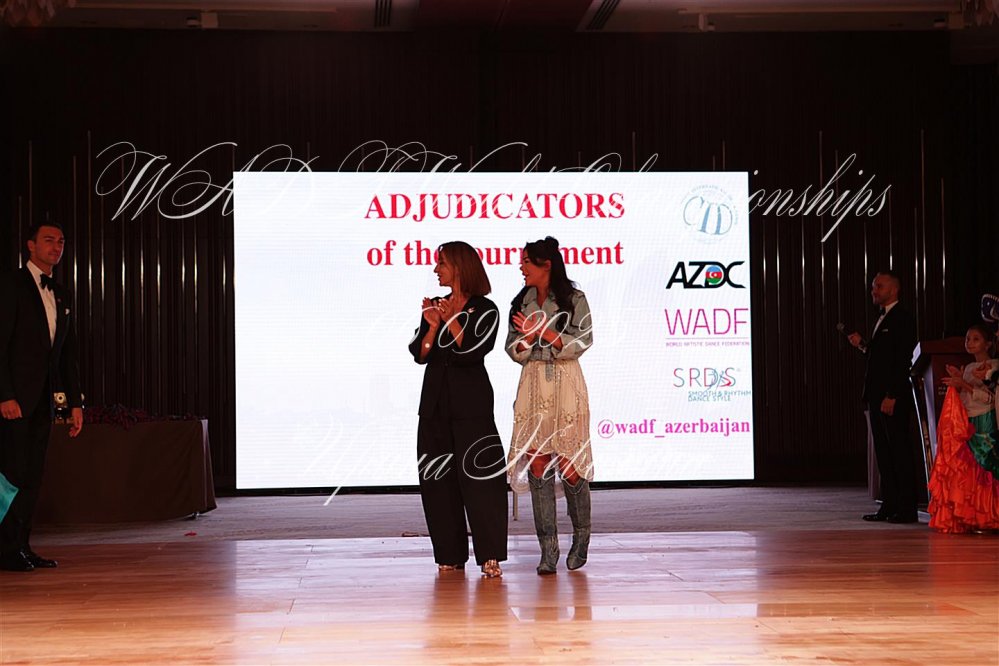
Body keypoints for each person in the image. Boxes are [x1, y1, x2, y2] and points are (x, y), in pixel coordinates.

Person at [408, 241, 507, 578]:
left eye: (442, 263)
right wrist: (433, 325)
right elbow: (421, 353)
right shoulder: (439, 304)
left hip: (472, 408)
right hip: (435, 407)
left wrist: (451, 320)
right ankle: (449, 554)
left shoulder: (486, 309)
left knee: (481, 482)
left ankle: (490, 555)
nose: (436, 269)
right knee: (438, 482)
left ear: (460, 267)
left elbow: (472, 351)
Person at [506, 237, 594, 575]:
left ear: (546, 265)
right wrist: (528, 338)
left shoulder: (574, 299)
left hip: (566, 382)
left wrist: (545, 332)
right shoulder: (521, 301)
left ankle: (581, 537)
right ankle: (548, 549)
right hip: (533, 382)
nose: (521, 267)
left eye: (527, 261)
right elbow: (513, 348)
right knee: (538, 463)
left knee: (570, 462)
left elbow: (583, 340)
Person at [0, 222, 84, 572]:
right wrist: (5, 395)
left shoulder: (60, 293)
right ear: (30, 246)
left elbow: (65, 355)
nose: (56, 247)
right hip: (15, 401)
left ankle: (21, 546)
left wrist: (73, 403)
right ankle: (6, 549)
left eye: (61, 241)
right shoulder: (11, 285)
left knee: (33, 476)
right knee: (12, 475)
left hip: (44, 401)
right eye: (49, 240)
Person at [847, 270, 918, 523]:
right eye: (873, 286)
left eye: (879, 286)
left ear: (894, 290)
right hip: (876, 396)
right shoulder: (882, 317)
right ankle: (889, 504)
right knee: (884, 452)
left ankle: (906, 508)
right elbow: (881, 359)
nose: (874, 291)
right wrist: (863, 345)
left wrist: (892, 394)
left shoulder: (902, 318)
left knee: (898, 450)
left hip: (891, 398)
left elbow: (903, 360)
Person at [927, 323, 999, 533]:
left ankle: (991, 515)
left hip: (984, 419)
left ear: (988, 343)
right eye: (968, 339)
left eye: (976, 339)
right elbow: (966, 397)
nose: (970, 343)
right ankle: (974, 516)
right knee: (970, 468)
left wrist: (964, 385)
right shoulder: (968, 368)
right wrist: (958, 382)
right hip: (968, 421)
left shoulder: (994, 365)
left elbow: (990, 398)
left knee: (985, 465)